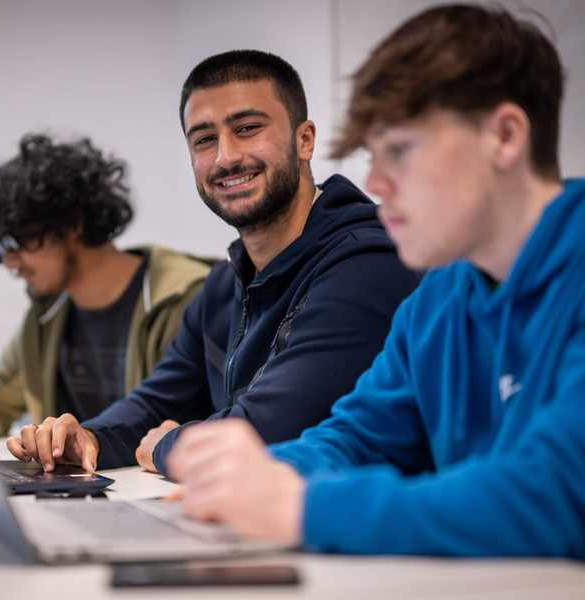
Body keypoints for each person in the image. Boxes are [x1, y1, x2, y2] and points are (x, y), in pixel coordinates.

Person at [167, 5, 585, 558]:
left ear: (504, 137)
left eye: (400, 151)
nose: (375, 182)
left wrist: (299, 508)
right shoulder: (437, 299)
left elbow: (557, 497)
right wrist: (240, 480)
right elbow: (357, 438)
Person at [6, 51, 419, 475]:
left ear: (305, 140)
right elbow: (156, 402)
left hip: (349, 533)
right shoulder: (224, 285)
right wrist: (87, 436)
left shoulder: (367, 263)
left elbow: (276, 427)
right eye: (204, 139)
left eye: (247, 129)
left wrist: (170, 445)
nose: (225, 157)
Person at [0, 133, 211, 449]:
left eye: (15, 243)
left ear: (71, 222)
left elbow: (169, 417)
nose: (9, 264)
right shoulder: (48, 315)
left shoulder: (183, 298)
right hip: (77, 488)